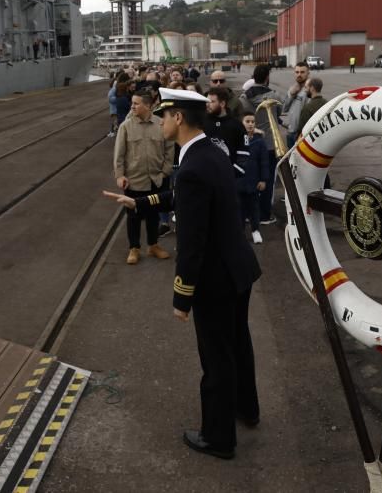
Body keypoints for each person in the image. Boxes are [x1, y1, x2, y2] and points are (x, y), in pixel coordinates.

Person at [103, 87, 261, 460]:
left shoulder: (192, 165)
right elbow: (182, 195)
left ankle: (218, 438)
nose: (159, 122)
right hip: (238, 268)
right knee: (238, 344)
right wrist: (140, 202)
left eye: (163, 115)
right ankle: (245, 408)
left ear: (178, 119)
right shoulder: (211, 151)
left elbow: (192, 242)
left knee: (216, 359)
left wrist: (182, 295)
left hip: (214, 279)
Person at [113, 90, 174, 265]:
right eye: (132, 103)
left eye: (136, 103)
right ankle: (134, 248)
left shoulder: (160, 124)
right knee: (133, 217)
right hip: (134, 180)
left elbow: (170, 150)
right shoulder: (126, 126)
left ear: (148, 105)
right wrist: (120, 175)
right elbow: (119, 154)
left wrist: (165, 173)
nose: (132, 106)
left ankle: (153, 245)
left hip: (157, 179)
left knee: (154, 215)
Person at [238, 64, 283, 225]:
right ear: (266, 78)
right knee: (268, 180)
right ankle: (264, 214)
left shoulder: (243, 98)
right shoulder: (274, 96)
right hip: (270, 144)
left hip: (250, 142)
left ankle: (249, 212)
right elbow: (279, 113)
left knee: (250, 177)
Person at [238, 113, 269, 244]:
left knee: (254, 208)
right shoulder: (237, 140)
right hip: (238, 181)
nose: (250, 124)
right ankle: (239, 233)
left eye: (252, 122)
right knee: (239, 209)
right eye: (247, 121)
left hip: (253, 181)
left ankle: (255, 231)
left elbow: (264, 162)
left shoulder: (259, 142)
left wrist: (263, 179)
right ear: (242, 123)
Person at [205, 87, 247, 180]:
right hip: (206, 178)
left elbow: (244, 153)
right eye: (207, 101)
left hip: (230, 179)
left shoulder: (237, 125)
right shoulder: (202, 123)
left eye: (212, 102)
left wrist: (232, 172)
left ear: (222, 103)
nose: (207, 105)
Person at [281, 62, 310, 147]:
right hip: (290, 132)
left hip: (303, 134)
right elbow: (284, 108)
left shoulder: (311, 89)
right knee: (291, 159)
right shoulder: (292, 88)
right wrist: (291, 95)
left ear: (308, 73)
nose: (299, 75)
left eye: (302, 72)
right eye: (297, 72)